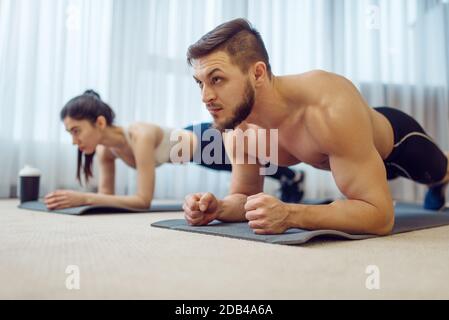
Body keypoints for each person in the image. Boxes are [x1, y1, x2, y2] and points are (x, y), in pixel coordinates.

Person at [182, 18, 449, 236]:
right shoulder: (237, 128)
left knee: (440, 173)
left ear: (258, 73)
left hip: (398, 145)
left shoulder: (329, 107)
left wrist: (291, 214)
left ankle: (438, 183)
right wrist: (218, 208)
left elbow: (380, 216)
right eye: (200, 83)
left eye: (216, 79)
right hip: (354, 158)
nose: (205, 96)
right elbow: (244, 196)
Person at [44, 90, 305, 210]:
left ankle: (295, 172)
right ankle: (289, 178)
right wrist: (86, 199)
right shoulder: (105, 152)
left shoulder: (139, 135)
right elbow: (106, 197)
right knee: (251, 166)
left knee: (266, 154)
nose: (73, 141)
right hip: (194, 155)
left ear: (99, 123)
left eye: (76, 131)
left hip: (205, 139)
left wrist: (83, 198)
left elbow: (141, 201)